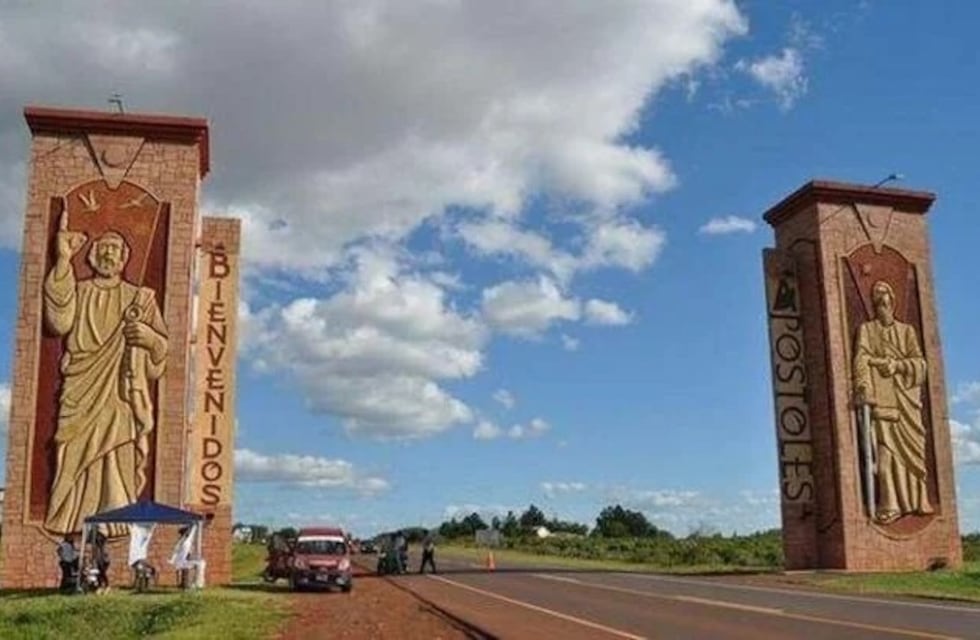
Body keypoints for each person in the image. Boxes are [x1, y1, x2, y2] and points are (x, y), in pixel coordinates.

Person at [42, 209, 169, 536]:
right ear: (93, 257)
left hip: (120, 391)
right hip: (81, 386)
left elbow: (161, 355)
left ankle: (116, 521)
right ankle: (67, 518)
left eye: (116, 249)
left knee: (116, 454)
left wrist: (150, 338)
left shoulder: (140, 298)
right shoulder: (79, 290)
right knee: (70, 450)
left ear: (126, 258)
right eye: (103, 249)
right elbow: (58, 323)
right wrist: (62, 260)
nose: (109, 254)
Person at [853, 280, 933, 524]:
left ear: (893, 301)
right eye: (877, 299)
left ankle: (919, 501)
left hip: (907, 401)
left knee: (913, 455)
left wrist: (896, 365)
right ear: (874, 305)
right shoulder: (867, 330)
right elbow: (860, 358)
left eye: (885, 297)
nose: (882, 302)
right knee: (884, 456)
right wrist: (863, 386)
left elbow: (920, 365)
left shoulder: (907, 331)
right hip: (882, 399)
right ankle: (890, 504)